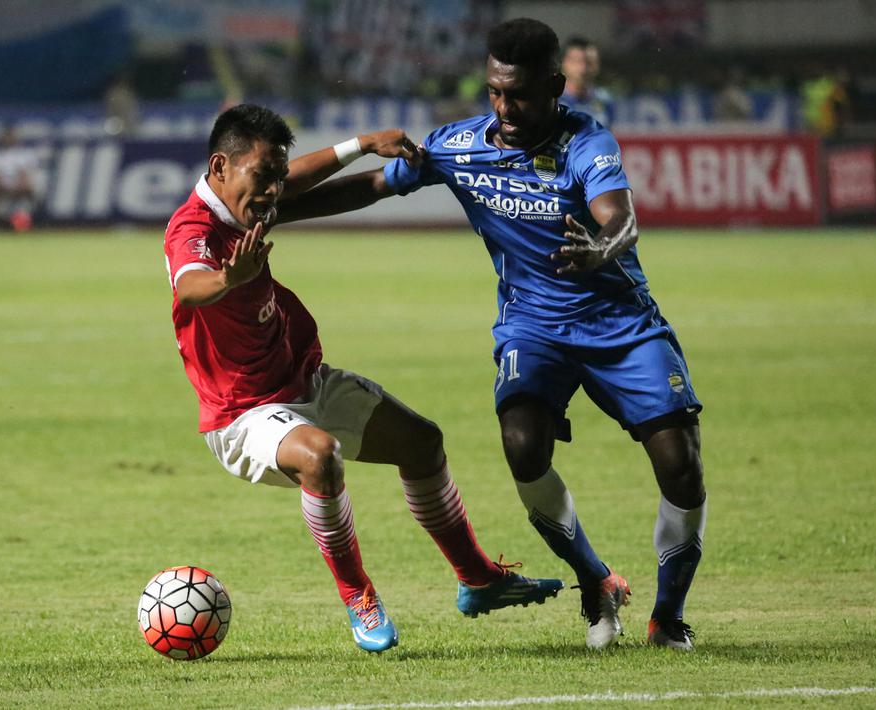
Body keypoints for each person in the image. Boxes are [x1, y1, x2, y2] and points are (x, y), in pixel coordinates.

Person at [277, 19, 707, 651]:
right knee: (522, 445)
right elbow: (373, 185)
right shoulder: (461, 144)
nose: (505, 108)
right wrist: (277, 208)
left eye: (521, 95)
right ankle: (594, 580)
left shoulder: (587, 141)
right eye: (495, 92)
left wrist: (601, 247)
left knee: (680, 464)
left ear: (556, 86)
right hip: (533, 327)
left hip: (621, 325)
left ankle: (666, 617)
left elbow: (621, 218)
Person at [164, 104, 563, 654]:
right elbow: (189, 286)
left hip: (304, 382)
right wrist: (231, 278)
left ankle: (479, 579)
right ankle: (359, 597)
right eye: (263, 177)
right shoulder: (194, 227)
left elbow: (315, 187)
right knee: (320, 457)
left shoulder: (251, 200)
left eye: (277, 178)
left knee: (423, 444)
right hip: (242, 414)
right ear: (219, 168)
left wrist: (366, 147)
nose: (275, 192)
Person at [559, 36, 613, 127]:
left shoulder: (605, 100)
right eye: (576, 61)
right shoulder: (551, 101)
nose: (583, 68)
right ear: (564, 63)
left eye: (589, 62)